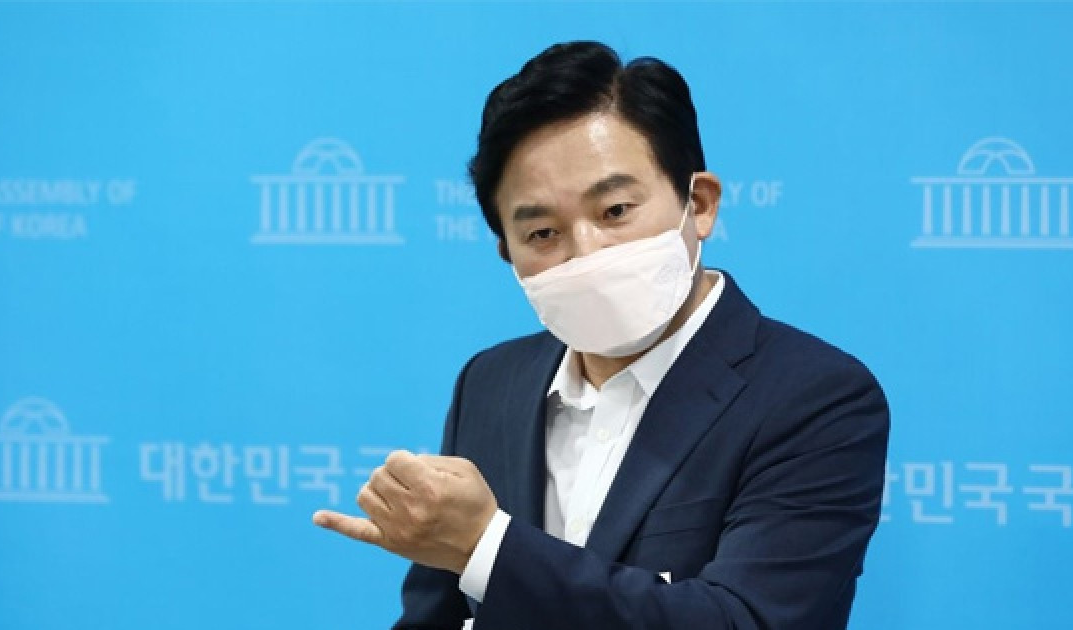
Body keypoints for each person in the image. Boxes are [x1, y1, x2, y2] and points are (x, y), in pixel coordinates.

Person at [313, 41, 890, 630]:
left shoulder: (814, 397)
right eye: (542, 233)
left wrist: (489, 549)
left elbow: (747, 620)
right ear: (507, 252)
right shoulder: (490, 384)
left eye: (615, 211)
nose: (586, 253)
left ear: (699, 204)